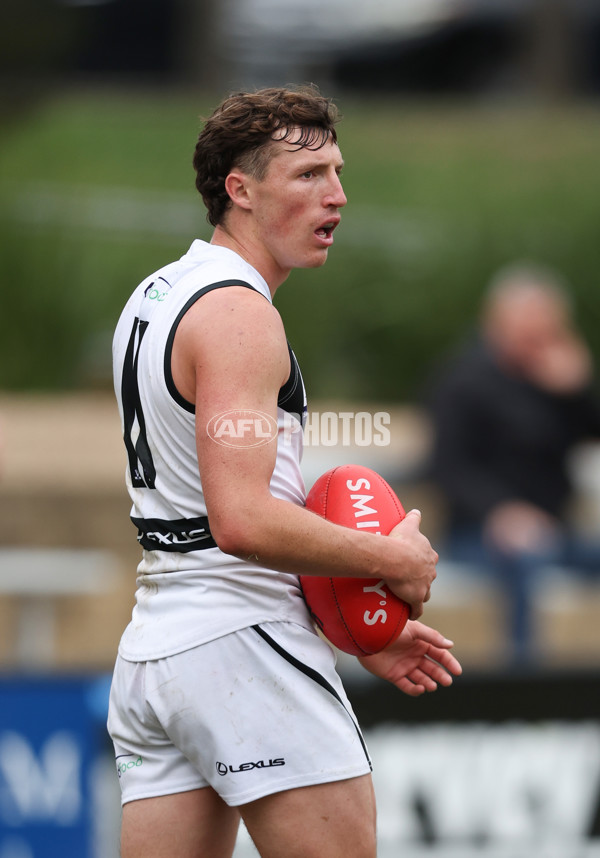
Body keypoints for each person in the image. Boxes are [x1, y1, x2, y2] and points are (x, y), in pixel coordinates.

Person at [108, 85, 461, 858]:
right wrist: (389, 559)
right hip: (240, 647)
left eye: (337, 172)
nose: (336, 195)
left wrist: (356, 626)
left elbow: (206, 515)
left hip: (157, 650)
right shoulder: (240, 312)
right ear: (240, 189)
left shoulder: (156, 294)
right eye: (307, 176)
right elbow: (242, 521)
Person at [427, 262, 600, 664]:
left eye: (549, 325)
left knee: (547, 553)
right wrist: (501, 513)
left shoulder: (555, 383)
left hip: (556, 535)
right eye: (529, 323)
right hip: (478, 537)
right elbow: (446, 467)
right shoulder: (461, 380)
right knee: (525, 562)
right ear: (497, 321)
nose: (539, 335)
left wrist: (577, 390)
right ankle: (523, 692)